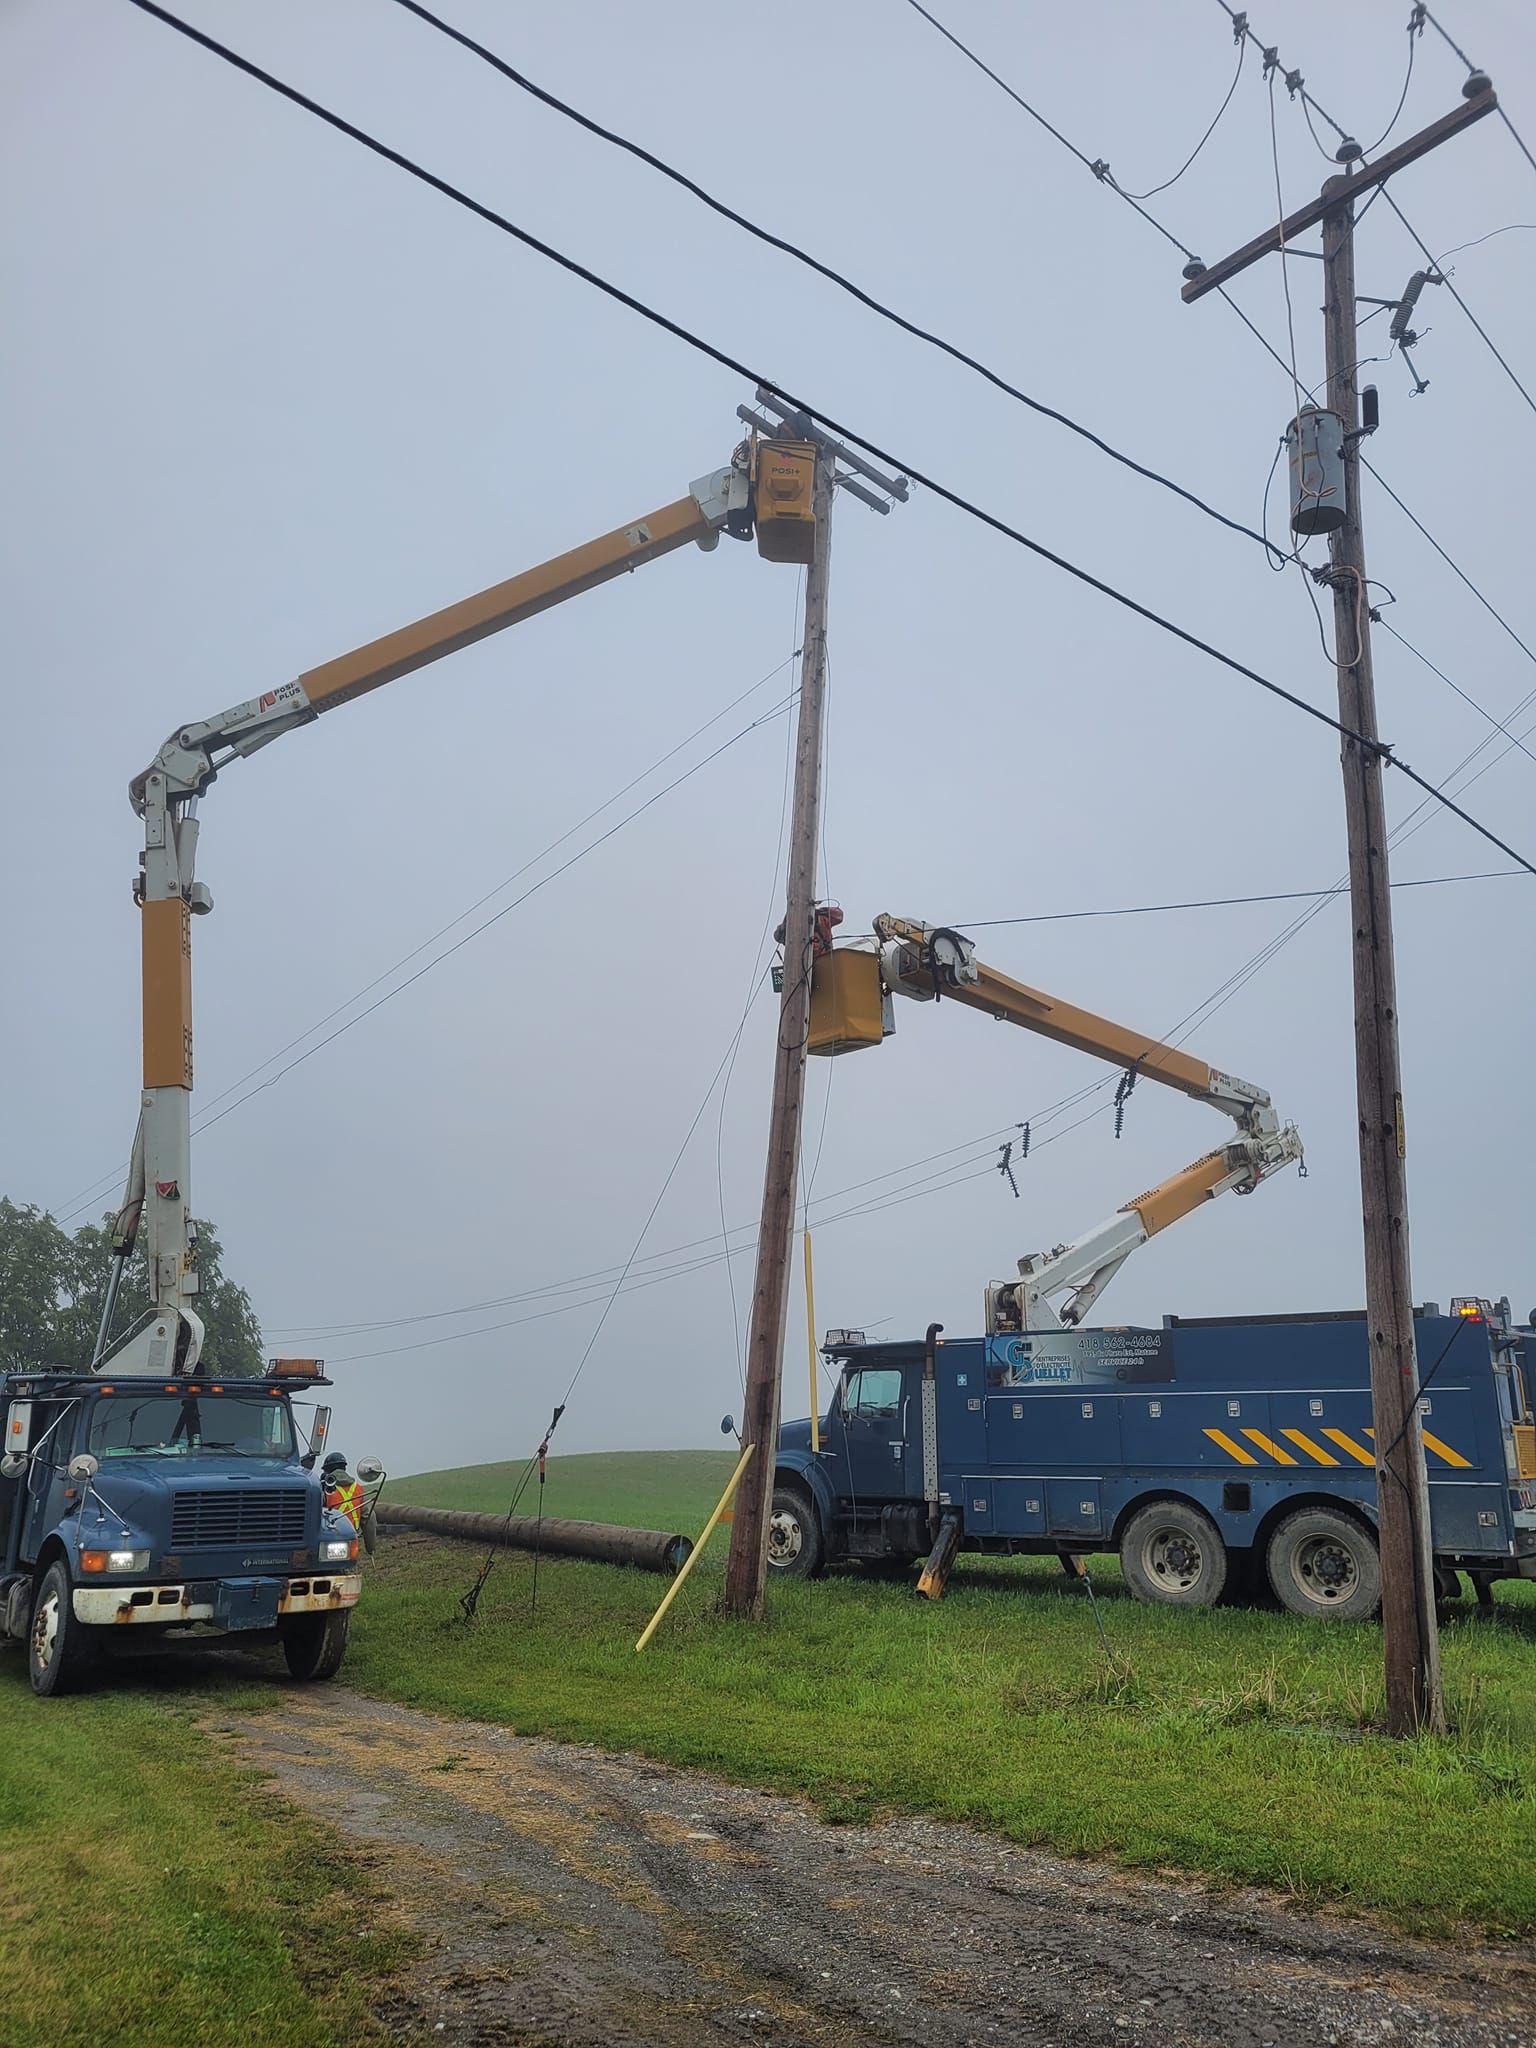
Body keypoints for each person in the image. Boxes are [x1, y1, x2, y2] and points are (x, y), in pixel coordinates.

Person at [322, 1451, 363, 1531]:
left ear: (327, 1470)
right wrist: (370, 1544)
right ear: (344, 1468)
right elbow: (369, 1520)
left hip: (330, 1539)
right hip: (353, 1540)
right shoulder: (359, 1488)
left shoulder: (325, 1488)